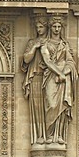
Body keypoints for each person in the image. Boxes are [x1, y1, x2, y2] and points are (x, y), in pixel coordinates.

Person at [40, 16, 77, 144]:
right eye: (54, 26)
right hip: (52, 76)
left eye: (59, 26)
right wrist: (59, 73)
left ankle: (59, 134)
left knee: (62, 105)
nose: (56, 29)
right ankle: (49, 134)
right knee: (51, 104)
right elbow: (47, 61)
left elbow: (70, 62)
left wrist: (64, 73)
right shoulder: (45, 44)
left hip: (63, 78)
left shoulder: (64, 44)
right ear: (50, 28)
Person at [22, 15, 50, 145]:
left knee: (50, 107)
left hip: (50, 79)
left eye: (41, 27)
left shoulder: (52, 42)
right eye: (37, 27)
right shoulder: (32, 42)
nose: (39, 29)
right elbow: (26, 59)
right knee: (37, 109)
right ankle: (39, 135)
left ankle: (50, 136)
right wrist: (35, 47)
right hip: (36, 78)